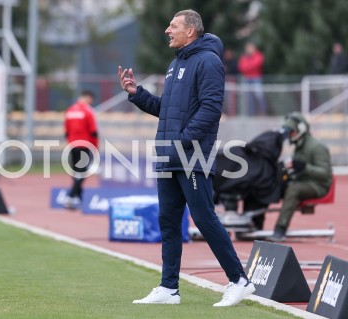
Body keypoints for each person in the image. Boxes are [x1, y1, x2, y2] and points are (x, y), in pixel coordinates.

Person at [118, 9, 255, 307]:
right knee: (167, 220)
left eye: (173, 25)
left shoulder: (208, 61)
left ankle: (239, 280)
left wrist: (182, 140)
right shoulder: (174, 64)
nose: (167, 30)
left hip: (191, 155)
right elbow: (165, 109)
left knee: (204, 217)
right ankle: (169, 288)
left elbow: (210, 109)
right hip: (169, 155)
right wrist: (136, 93)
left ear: (190, 31)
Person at [266, 112, 332, 242]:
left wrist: (304, 167)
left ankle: (280, 229)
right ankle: (255, 222)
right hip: (303, 181)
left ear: (301, 129)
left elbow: (325, 174)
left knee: (293, 189)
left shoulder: (317, 147)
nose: (290, 135)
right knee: (272, 184)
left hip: (318, 186)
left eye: (292, 132)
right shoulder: (299, 146)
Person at [63, 90, 98, 210]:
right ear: (88, 98)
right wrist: (95, 148)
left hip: (72, 144)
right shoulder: (88, 111)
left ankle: (78, 197)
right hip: (84, 144)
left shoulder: (70, 110)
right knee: (82, 172)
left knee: (75, 172)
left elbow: (66, 131)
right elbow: (93, 131)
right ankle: (70, 195)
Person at [238, 42, 268, 116]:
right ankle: (251, 113)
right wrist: (249, 67)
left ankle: (263, 112)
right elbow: (241, 67)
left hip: (256, 78)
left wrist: (248, 67)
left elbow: (257, 64)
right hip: (247, 78)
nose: (248, 50)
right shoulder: (244, 57)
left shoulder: (258, 55)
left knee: (259, 95)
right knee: (249, 97)